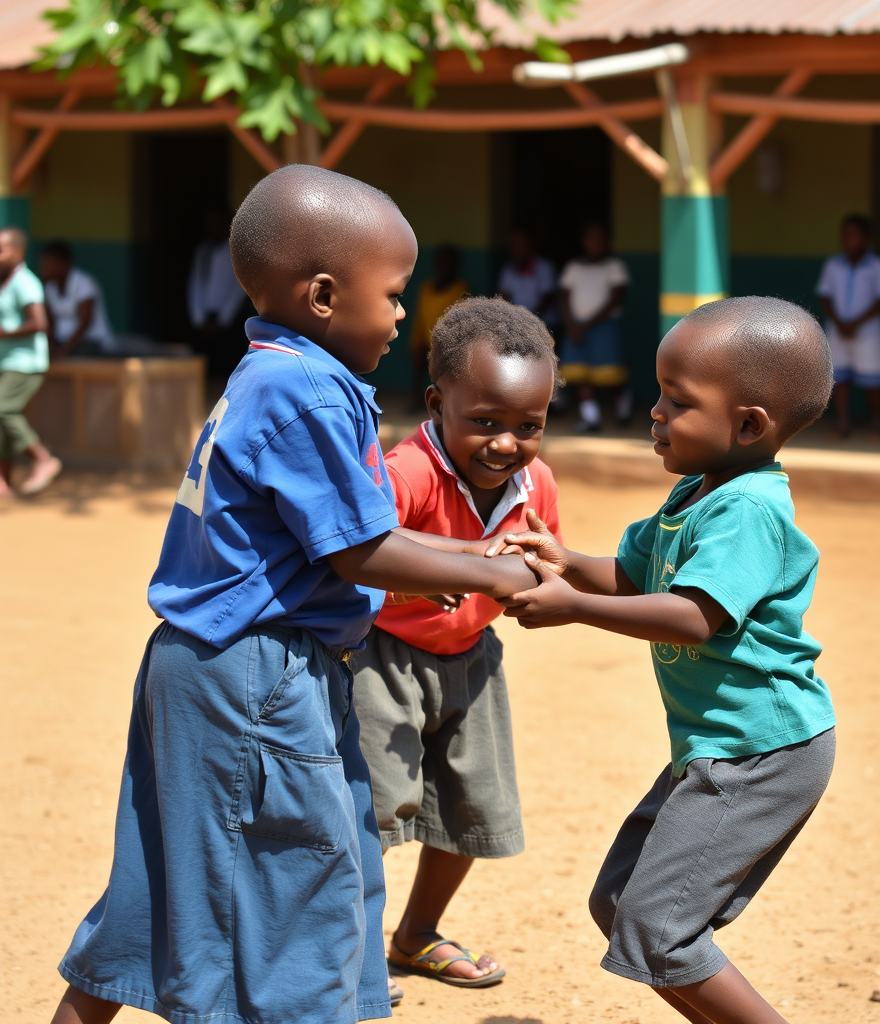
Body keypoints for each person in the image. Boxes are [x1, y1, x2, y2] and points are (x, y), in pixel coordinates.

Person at [48, 166, 539, 1024]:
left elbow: (354, 531)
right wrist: (491, 570)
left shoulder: (274, 372)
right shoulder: (306, 388)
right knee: (299, 886)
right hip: (257, 677)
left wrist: (484, 553)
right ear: (321, 294)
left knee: (184, 878)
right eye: (391, 295)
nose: (399, 316)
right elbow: (361, 551)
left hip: (219, 667)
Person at [492, 296, 837, 1024]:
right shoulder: (695, 494)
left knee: (659, 928)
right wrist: (568, 563)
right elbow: (638, 576)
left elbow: (693, 614)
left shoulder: (749, 510)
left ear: (748, 425)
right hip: (715, 749)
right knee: (621, 904)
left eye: (676, 401)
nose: (653, 412)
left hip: (763, 752)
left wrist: (574, 607)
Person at [352, 297, 562, 1003]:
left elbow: (544, 563)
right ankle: (350, 955)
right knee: (373, 813)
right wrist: (417, 588)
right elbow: (360, 569)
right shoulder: (404, 473)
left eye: (527, 426)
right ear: (438, 404)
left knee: (471, 804)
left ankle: (415, 934)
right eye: (485, 423)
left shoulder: (536, 485)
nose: (506, 444)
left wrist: (538, 586)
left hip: (473, 658)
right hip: (383, 660)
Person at [816, 214, 880, 440]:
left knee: (873, 380)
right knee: (839, 379)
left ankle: (877, 423)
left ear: (865, 238)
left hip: (868, 331)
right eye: (845, 236)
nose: (848, 240)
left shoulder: (878, 266)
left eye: (853, 235)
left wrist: (857, 322)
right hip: (838, 329)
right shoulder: (833, 265)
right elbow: (825, 296)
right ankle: (842, 423)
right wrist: (839, 321)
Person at [0, 227, 63, 498]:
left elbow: (39, 323)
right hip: (7, 361)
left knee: (3, 409)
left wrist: (5, 333)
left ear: (18, 252)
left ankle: (42, 458)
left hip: (26, 363)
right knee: (2, 420)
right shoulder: (6, 282)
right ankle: (3, 482)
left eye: (1, 250)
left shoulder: (26, 282)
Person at [558, 222, 632, 432]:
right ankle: (591, 418)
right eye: (590, 238)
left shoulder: (614, 267)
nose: (594, 243)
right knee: (579, 373)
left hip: (604, 327)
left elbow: (615, 299)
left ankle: (623, 400)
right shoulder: (574, 267)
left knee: (609, 376)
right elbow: (563, 297)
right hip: (576, 327)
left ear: (607, 242)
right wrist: (571, 324)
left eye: (599, 238)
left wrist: (587, 324)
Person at [187, 207, 250, 377]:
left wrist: (222, 320)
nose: (212, 227)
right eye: (209, 223)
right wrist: (199, 318)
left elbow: (237, 289)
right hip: (204, 320)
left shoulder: (234, 252)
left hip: (227, 321)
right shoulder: (203, 251)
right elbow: (196, 285)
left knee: (227, 368)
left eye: (216, 223)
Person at [408, 243, 468, 402]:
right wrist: (418, 340)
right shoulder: (426, 288)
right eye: (440, 261)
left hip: (446, 342)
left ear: (455, 265)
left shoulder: (460, 289)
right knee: (419, 354)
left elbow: (457, 322)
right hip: (426, 340)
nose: (443, 266)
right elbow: (419, 318)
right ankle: (417, 398)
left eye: (447, 261)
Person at [39, 240, 115, 358]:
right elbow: (50, 322)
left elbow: (85, 323)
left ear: (64, 263)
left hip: (92, 342)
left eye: (49, 264)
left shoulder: (84, 283)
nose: (45, 269)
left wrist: (63, 352)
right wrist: (51, 348)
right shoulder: (50, 287)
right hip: (62, 341)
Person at [497, 228, 558, 331]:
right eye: (513, 245)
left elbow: (547, 299)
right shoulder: (508, 270)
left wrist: (529, 320)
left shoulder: (544, 268)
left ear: (530, 245)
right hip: (518, 326)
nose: (515, 248)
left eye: (519, 244)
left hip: (545, 326)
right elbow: (502, 296)